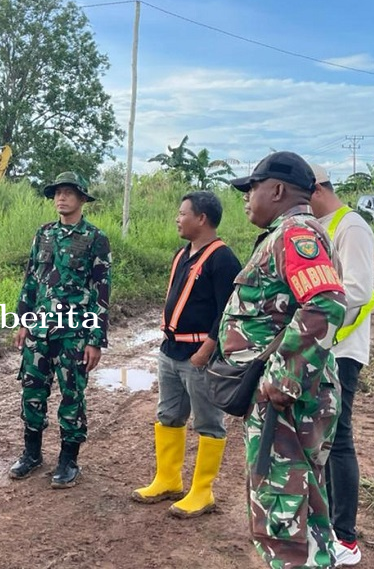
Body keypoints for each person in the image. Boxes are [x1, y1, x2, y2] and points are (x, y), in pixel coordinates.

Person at [221, 152, 346, 568]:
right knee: (300, 504)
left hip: (287, 400)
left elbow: (326, 303)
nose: (246, 198)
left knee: (283, 515)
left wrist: (282, 377)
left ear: (276, 190)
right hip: (290, 397)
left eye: (251, 188)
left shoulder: (294, 234)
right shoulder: (290, 233)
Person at [132, 191, 241, 518]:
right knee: (168, 415)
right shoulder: (183, 254)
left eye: (182, 214)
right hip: (171, 351)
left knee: (208, 422)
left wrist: (208, 349)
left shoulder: (223, 259)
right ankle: (168, 479)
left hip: (198, 356)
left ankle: (202, 492)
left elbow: (227, 311)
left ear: (202, 218)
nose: (177, 219)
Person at [8, 171, 111, 488]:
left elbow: (101, 290)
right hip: (39, 331)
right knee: (32, 390)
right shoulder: (43, 234)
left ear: (81, 199)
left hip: (74, 333)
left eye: (68, 192)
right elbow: (30, 280)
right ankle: (32, 453)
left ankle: (68, 460)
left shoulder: (95, 238)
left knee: (71, 395)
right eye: (56, 193)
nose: (60, 198)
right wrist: (22, 321)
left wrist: (95, 339)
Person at [310, 165, 374, 567]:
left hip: (342, 349)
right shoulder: (322, 225)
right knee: (322, 440)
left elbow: (355, 289)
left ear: (316, 189)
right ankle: (329, 527)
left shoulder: (350, 226)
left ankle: (345, 538)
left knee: (339, 440)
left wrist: (312, 318)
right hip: (323, 347)